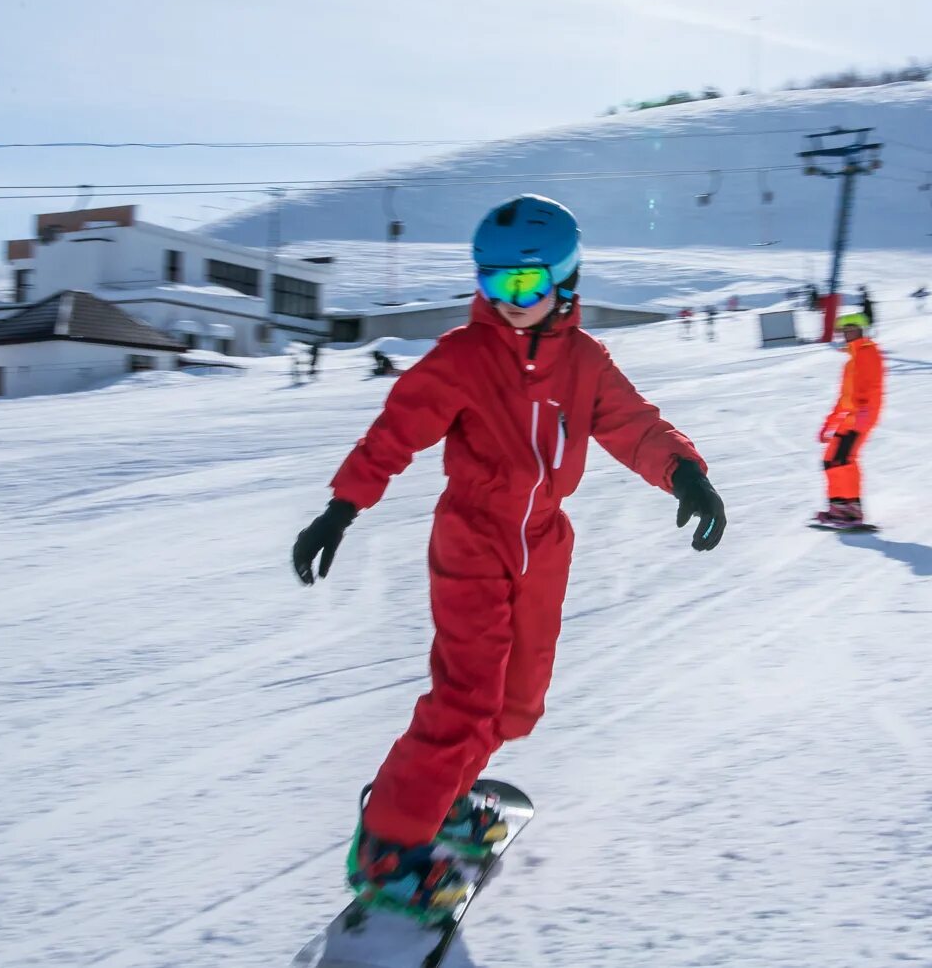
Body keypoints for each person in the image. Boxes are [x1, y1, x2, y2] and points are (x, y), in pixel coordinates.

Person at [291, 195, 725, 914]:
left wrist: (684, 472)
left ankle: (446, 796)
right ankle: (388, 847)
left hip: (543, 544)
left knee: (517, 704)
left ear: (564, 280)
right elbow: (395, 430)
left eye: (524, 284)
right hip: (473, 537)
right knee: (467, 698)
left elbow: (632, 424)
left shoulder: (585, 362)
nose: (509, 302)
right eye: (493, 283)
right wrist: (343, 508)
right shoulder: (465, 356)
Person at [817, 310, 884, 529]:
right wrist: (829, 423)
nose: (847, 335)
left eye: (851, 330)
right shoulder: (850, 362)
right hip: (849, 419)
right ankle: (838, 507)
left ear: (861, 330)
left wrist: (865, 415)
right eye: (844, 331)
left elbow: (874, 389)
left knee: (845, 459)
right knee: (829, 460)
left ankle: (853, 509)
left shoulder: (869, 353)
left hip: (862, 417)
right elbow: (844, 398)